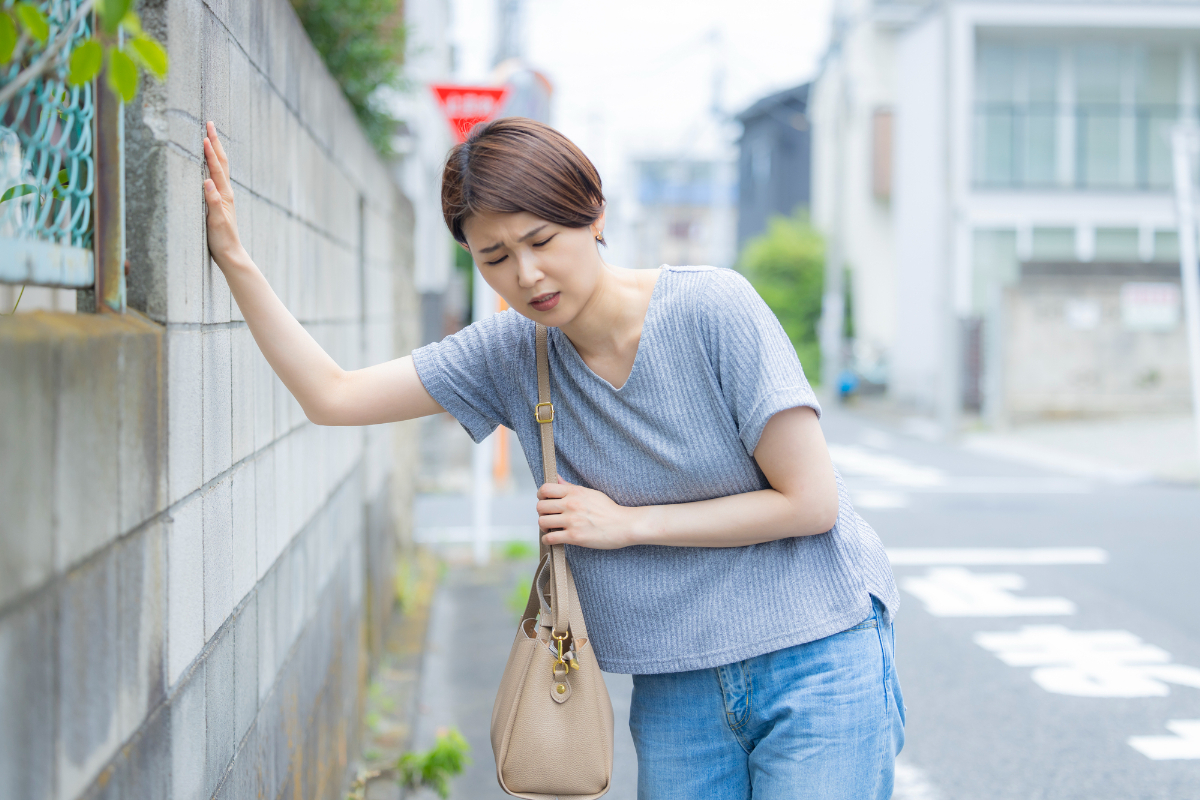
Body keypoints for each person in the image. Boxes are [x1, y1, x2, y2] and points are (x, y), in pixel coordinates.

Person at [201, 116, 904, 799]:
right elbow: (332, 396)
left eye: (541, 240)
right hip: (675, 678)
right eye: (495, 258)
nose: (528, 274)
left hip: (817, 652)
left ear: (593, 212)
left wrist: (627, 524)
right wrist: (233, 256)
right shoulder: (510, 353)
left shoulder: (712, 308)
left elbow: (811, 503)